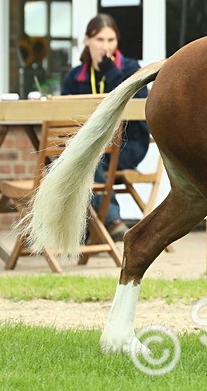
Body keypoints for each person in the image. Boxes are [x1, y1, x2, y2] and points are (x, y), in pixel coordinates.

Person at [60, 14, 150, 241]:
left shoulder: (131, 68)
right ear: (87, 41)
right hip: (90, 147)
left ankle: (109, 221)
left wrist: (110, 71)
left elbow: (137, 108)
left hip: (128, 144)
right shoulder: (75, 76)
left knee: (87, 158)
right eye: (100, 40)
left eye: (111, 40)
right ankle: (96, 226)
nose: (105, 47)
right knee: (62, 159)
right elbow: (64, 117)